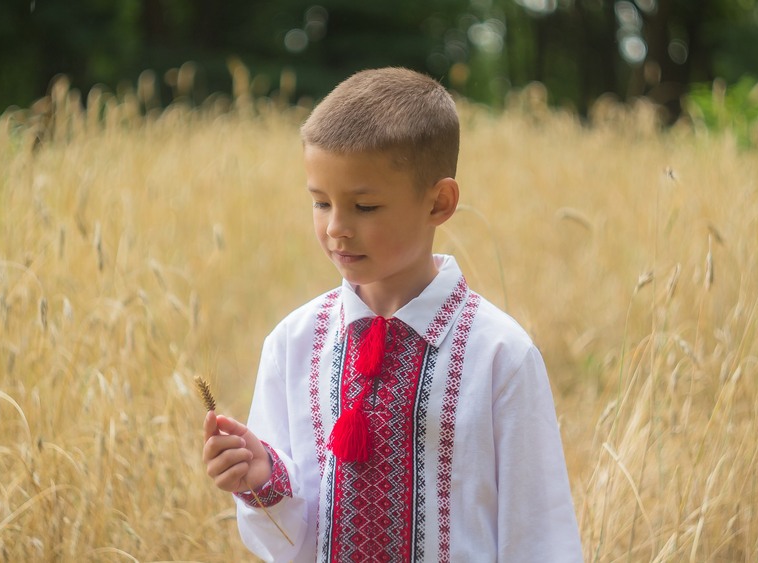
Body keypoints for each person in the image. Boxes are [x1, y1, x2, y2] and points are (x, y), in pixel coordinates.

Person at [202, 67, 582, 562]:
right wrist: (262, 480)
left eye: (365, 206)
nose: (337, 228)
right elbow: (290, 544)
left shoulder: (499, 355)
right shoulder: (292, 345)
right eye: (320, 203)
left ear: (439, 202)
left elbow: (539, 535)